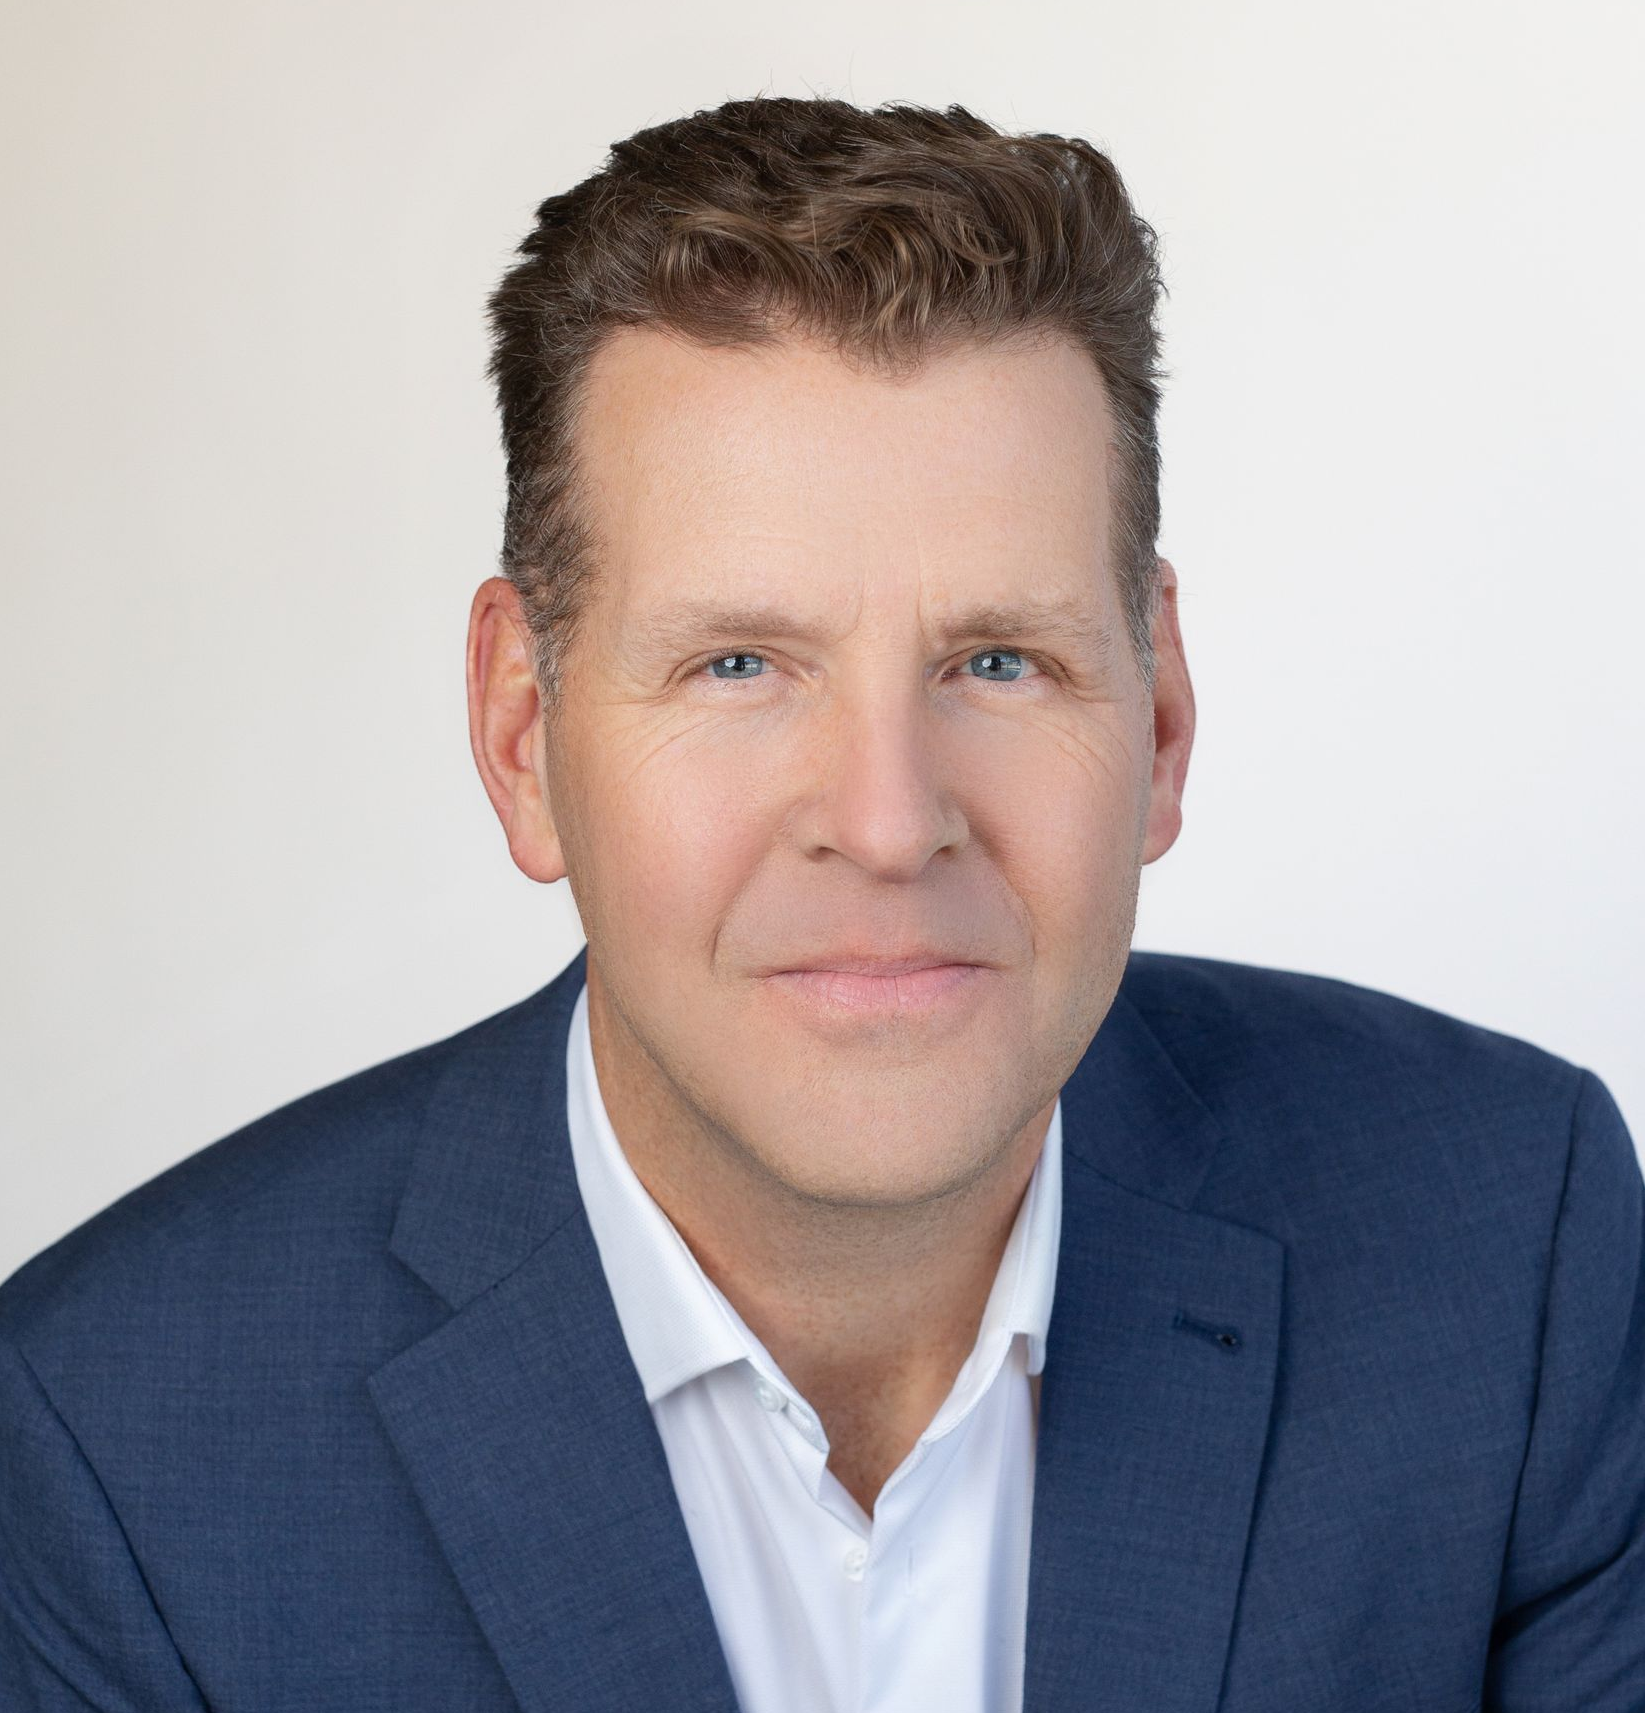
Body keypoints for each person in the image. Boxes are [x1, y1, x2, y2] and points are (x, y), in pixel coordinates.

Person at [1, 94, 1639, 1713]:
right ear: (521, 738)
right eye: (737, 666)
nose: (886, 822)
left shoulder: (1511, 1251)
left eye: (1001, 660)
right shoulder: (113, 1449)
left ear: (1156, 723)